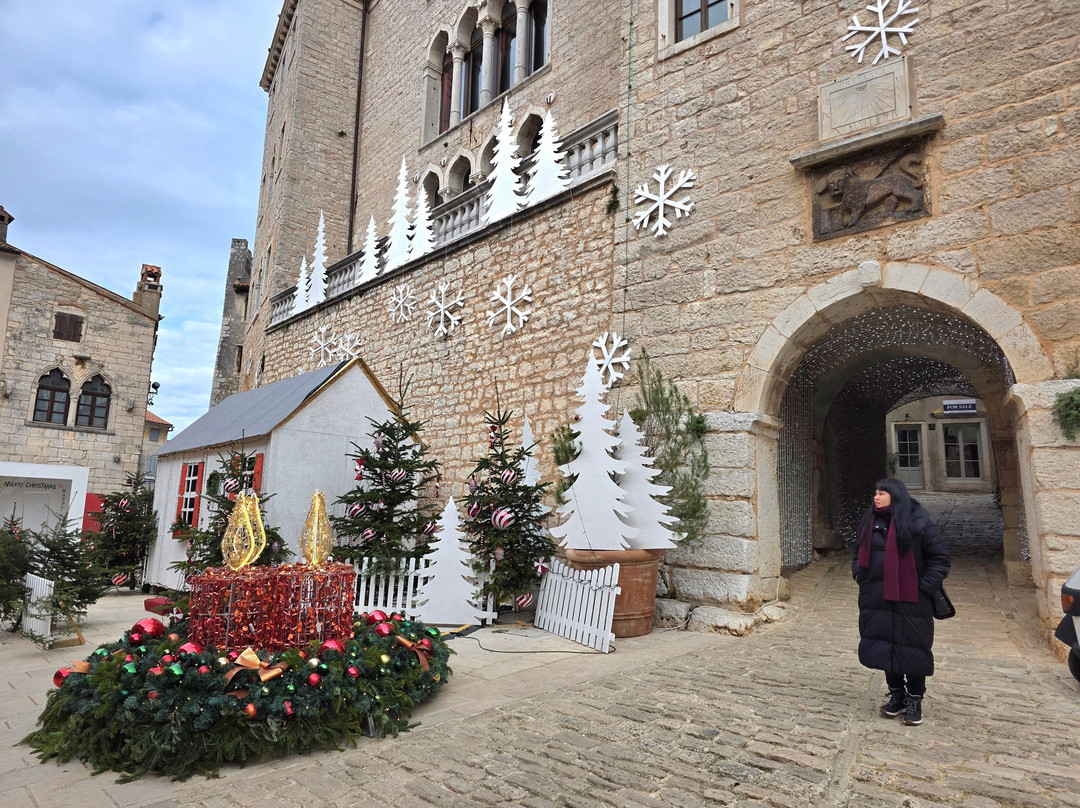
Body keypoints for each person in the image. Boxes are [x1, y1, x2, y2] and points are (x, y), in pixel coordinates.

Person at [852, 478, 951, 726]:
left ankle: (914, 699)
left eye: (882, 493)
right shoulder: (869, 521)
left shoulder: (919, 521)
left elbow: (939, 557)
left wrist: (923, 586)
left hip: (911, 598)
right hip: (878, 597)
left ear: (895, 496)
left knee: (914, 648)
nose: (876, 497)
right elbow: (858, 553)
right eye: (875, 492)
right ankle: (896, 694)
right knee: (886, 645)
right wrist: (860, 576)